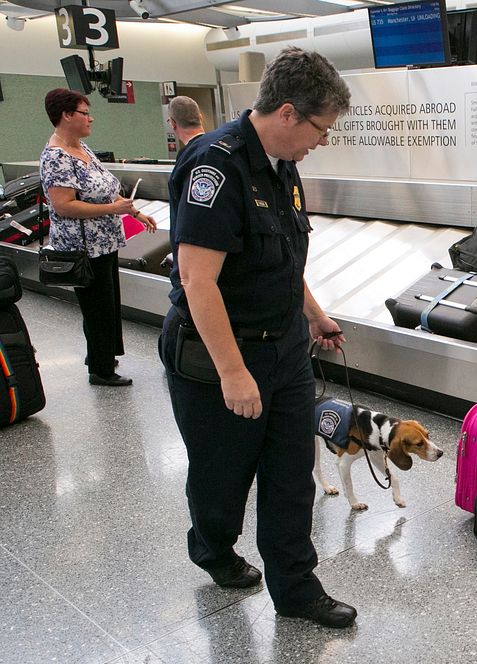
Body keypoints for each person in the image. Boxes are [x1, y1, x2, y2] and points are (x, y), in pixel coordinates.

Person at [159, 47, 354, 629]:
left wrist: (314, 314)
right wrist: (233, 371)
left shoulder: (282, 163)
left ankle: (296, 588)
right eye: (322, 129)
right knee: (222, 474)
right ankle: (215, 548)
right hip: (220, 352)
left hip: (286, 349)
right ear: (289, 113)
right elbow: (198, 279)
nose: (323, 141)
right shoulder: (215, 166)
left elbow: (283, 255)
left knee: (292, 472)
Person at [39, 88, 157, 386]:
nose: (90, 119)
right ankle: (101, 371)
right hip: (83, 248)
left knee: (107, 304)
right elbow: (63, 205)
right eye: (84, 113)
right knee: (97, 308)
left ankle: (100, 355)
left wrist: (133, 212)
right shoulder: (56, 157)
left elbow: (103, 188)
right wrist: (113, 208)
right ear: (66, 115)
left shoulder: (81, 148)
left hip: (104, 242)